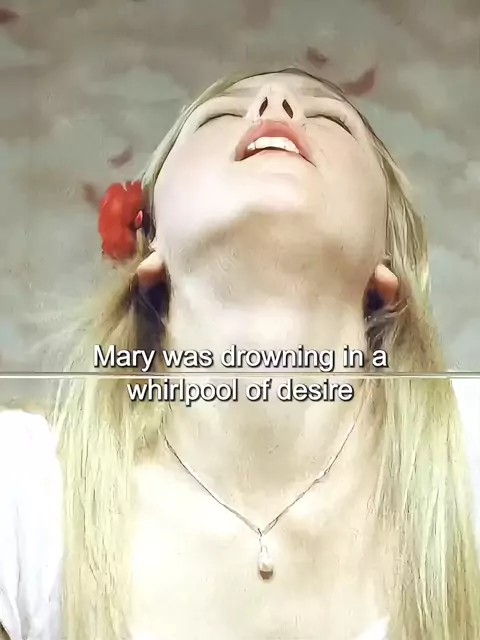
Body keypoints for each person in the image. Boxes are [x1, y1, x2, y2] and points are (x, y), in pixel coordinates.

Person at [0, 66, 479, 640]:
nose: (276, 101)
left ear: (386, 261)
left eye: (331, 119)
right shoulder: (23, 491)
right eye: (220, 115)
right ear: (151, 245)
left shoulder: (469, 457)